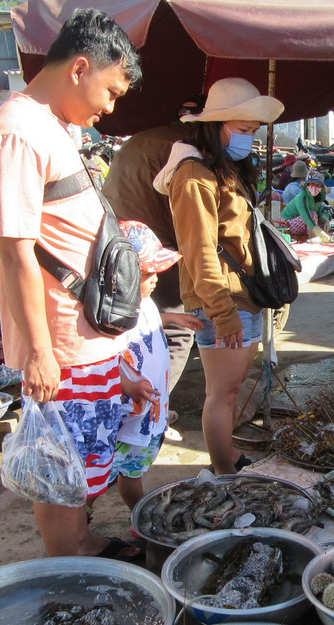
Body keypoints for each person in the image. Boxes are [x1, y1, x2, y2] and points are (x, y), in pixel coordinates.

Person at [0, 8, 143, 559]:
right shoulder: (17, 133)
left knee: (84, 461)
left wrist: (116, 368)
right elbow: (15, 249)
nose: (110, 107)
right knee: (59, 465)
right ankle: (66, 565)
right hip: (60, 350)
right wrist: (41, 355)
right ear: (79, 68)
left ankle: (85, 543)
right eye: (111, 90)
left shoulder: (52, 127)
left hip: (85, 341)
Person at [152, 76, 284, 475]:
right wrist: (222, 312)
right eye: (243, 130)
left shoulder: (217, 166)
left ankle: (227, 459)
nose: (249, 138)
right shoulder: (192, 174)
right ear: (216, 125)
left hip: (241, 293)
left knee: (231, 389)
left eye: (253, 131)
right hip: (221, 299)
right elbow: (198, 251)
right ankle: (223, 473)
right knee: (222, 394)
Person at [103, 96, 205, 433]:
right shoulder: (184, 148)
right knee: (175, 332)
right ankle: (153, 406)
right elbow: (188, 217)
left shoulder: (145, 138)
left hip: (112, 241)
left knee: (130, 324)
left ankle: (132, 399)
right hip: (149, 247)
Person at [110, 221, 202, 509]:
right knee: (118, 470)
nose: (156, 279)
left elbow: (147, 323)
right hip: (130, 412)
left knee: (134, 467)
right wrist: (128, 385)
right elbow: (104, 362)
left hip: (151, 411)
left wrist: (172, 319)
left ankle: (138, 511)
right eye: (148, 273)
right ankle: (138, 513)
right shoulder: (111, 314)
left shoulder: (145, 301)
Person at [281, 170, 332, 242]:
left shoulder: (319, 198)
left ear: (321, 187)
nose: (314, 187)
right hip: (286, 225)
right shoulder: (302, 197)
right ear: (307, 185)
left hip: (303, 223)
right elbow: (308, 218)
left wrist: (325, 221)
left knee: (320, 223)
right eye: (312, 184)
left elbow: (319, 214)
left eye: (317, 185)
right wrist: (322, 235)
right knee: (313, 215)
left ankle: (313, 239)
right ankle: (312, 241)